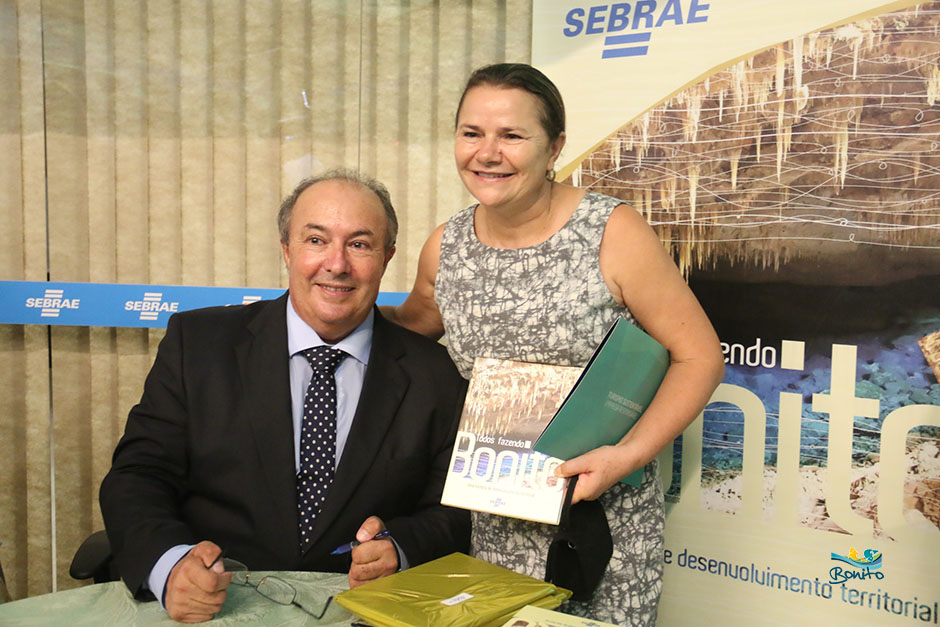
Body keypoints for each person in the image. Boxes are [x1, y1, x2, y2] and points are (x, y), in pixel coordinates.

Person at [383, 63, 725, 625]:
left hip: (600, 525)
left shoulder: (612, 232)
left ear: (555, 146)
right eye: (471, 133)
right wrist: (324, 297)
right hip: (489, 529)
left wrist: (627, 457)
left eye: (512, 135)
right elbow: (413, 323)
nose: (486, 153)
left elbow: (699, 357)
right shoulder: (446, 247)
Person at [100, 169, 469, 623]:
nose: (336, 264)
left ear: (387, 256)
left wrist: (400, 547)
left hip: (357, 613)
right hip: (218, 606)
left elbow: (453, 510)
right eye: (316, 240)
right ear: (286, 250)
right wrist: (169, 563)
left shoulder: (437, 375)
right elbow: (137, 475)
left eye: (359, 244)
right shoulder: (199, 344)